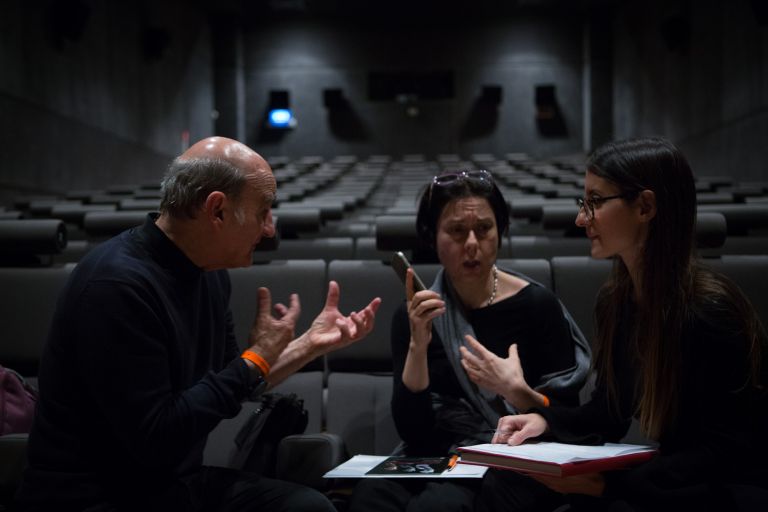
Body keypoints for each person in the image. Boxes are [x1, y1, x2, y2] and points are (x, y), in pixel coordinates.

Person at [15, 136, 381, 512]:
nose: (270, 229)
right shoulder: (116, 287)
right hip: (95, 497)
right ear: (217, 210)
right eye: (263, 211)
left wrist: (310, 345)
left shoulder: (207, 273)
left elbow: (231, 384)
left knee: (308, 507)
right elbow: (157, 438)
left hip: (167, 485)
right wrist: (254, 359)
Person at [490, 137, 768, 511]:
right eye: (582, 203)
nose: (581, 218)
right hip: (670, 482)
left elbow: (723, 453)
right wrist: (544, 422)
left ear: (645, 207)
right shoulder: (616, 302)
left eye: (595, 202)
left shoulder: (710, 311)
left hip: (721, 493)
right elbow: (609, 412)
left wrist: (609, 485)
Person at [348, 169, 591, 511]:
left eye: (484, 229)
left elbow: (567, 418)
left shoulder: (537, 306)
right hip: (435, 456)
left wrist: (516, 392)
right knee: (369, 499)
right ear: (432, 237)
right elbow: (414, 432)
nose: (473, 244)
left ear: (500, 232)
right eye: (457, 231)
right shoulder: (414, 315)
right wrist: (418, 347)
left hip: (514, 457)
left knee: (439, 506)